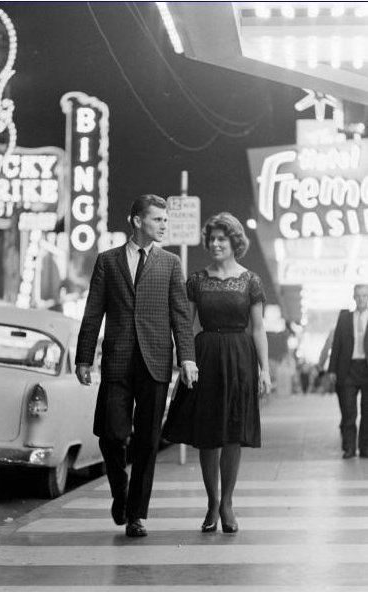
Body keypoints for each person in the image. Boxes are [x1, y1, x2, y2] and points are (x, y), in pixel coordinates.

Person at [75, 194, 197, 537]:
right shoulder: (107, 261)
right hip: (116, 359)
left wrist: (186, 357)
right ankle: (121, 491)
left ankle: (136, 515)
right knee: (111, 434)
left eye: (165, 220)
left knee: (146, 440)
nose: (163, 225)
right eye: (157, 219)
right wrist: (84, 357)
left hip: (156, 360)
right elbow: (92, 312)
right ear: (137, 220)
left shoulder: (170, 263)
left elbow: (180, 316)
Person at [163, 212, 271, 534]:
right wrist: (185, 359)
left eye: (222, 239)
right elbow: (185, 323)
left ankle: (228, 503)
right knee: (208, 435)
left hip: (240, 357)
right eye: (212, 239)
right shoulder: (196, 280)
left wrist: (264, 369)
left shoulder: (250, 280)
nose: (215, 244)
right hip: (206, 355)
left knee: (233, 433)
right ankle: (212, 501)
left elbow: (259, 327)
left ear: (235, 242)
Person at [328, 284, 368, 459]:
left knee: (367, 411)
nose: (361, 299)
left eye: (365, 296)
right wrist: (332, 370)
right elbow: (336, 345)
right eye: (358, 296)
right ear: (353, 297)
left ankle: (365, 448)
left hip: (366, 370)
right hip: (348, 369)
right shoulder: (344, 318)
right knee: (348, 411)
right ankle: (349, 448)